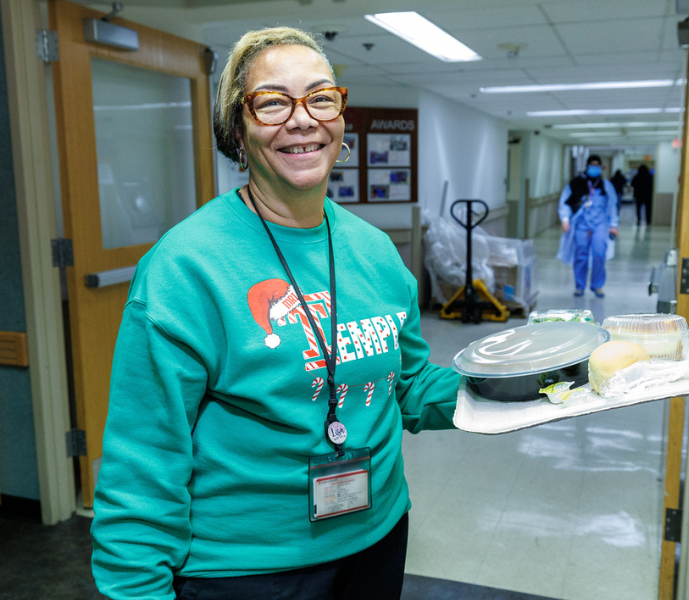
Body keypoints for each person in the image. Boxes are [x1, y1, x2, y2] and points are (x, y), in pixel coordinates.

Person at [90, 27, 461, 600]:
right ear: (236, 130)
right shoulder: (186, 268)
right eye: (272, 102)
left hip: (378, 535)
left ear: (340, 115)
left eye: (320, 97)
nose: (302, 119)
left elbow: (407, 385)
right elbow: (143, 466)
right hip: (246, 570)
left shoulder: (375, 251)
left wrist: (519, 382)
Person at [557, 155, 620, 298]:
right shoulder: (576, 183)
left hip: (600, 225)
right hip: (581, 224)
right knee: (581, 255)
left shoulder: (606, 186)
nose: (594, 167)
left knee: (599, 254)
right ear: (587, 166)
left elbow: (612, 207)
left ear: (601, 167)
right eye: (592, 165)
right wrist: (565, 219)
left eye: (597, 165)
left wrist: (614, 225)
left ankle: (597, 285)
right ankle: (579, 286)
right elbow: (564, 202)